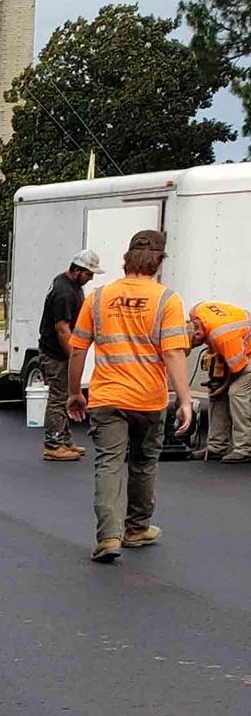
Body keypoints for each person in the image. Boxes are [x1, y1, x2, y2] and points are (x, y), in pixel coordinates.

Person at [66, 229, 193, 561]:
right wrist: (185, 400)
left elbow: (78, 349)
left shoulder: (98, 296)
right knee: (144, 462)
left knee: (109, 464)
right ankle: (137, 527)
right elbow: (174, 354)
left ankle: (109, 536)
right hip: (148, 399)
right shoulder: (168, 300)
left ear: (127, 259)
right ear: (158, 262)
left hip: (106, 396)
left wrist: (74, 394)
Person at [37, 250, 98, 457]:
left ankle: (64, 440)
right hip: (56, 354)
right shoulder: (64, 292)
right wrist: (74, 356)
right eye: (89, 273)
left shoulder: (68, 284)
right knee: (59, 397)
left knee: (63, 397)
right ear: (77, 270)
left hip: (55, 351)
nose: (91, 278)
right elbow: (62, 329)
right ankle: (53, 445)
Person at [185, 298, 251, 462]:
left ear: (198, 334)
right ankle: (216, 446)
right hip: (238, 343)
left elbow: (238, 368)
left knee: (236, 392)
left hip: (246, 352)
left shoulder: (223, 336)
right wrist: (217, 387)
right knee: (215, 393)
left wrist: (224, 386)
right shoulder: (196, 311)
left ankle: (244, 448)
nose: (195, 348)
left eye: (194, 345)